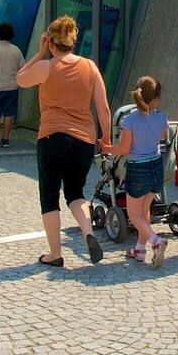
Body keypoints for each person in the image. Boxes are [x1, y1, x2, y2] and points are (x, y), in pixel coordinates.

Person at [17, 15, 111, 267]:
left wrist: (38, 54)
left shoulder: (45, 67)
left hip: (52, 136)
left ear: (51, 42)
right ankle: (89, 233)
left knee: (49, 195)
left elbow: (20, 78)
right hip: (83, 139)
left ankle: (55, 254)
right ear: (73, 40)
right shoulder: (90, 66)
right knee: (75, 193)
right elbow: (103, 108)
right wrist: (106, 139)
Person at [102, 76, 171, 267]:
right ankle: (140, 249)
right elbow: (164, 136)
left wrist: (106, 148)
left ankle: (155, 241)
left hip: (138, 168)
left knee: (133, 214)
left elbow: (124, 149)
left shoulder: (129, 120)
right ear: (156, 98)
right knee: (144, 210)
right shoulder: (161, 117)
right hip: (156, 166)